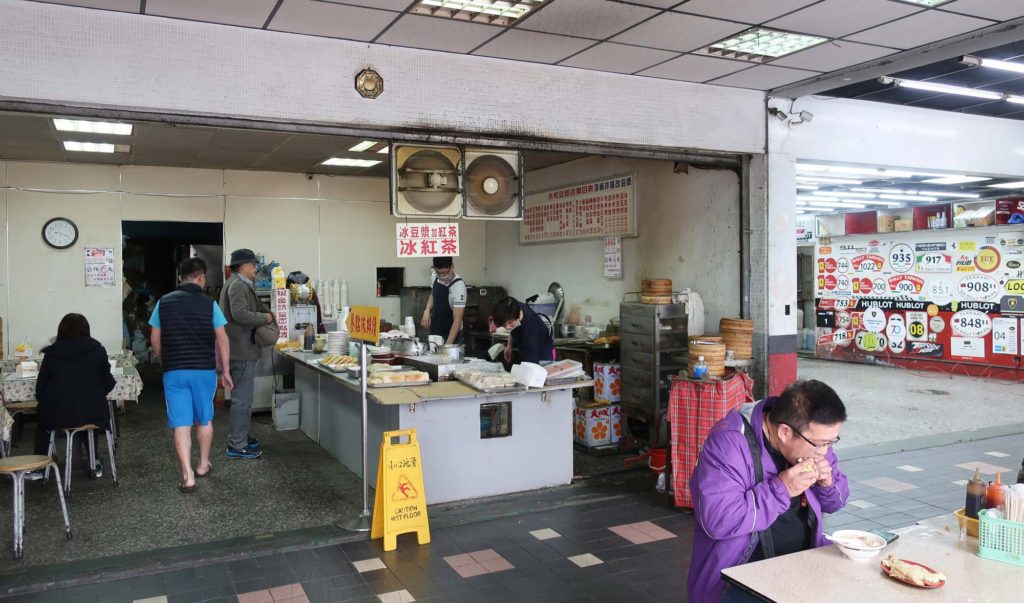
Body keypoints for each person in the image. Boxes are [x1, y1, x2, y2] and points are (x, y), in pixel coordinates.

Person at [688, 379, 849, 603]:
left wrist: (827, 484)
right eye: (821, 443)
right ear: (784, 432)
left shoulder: (814, 444)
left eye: (832, 442)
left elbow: (836, 503)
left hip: (803, 566)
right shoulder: (728, 444)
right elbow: (718, 521)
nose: (825, 452)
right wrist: (782, 488)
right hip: (738, 579)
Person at [150, 258, 233, 493]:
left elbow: (155, 339)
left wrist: (164, 361)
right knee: (204, 419)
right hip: (203, 371)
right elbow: (222, 338)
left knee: (181, 423)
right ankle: (203, 464)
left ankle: (187, 477)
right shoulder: (209, 304)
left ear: (180, 277)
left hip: (174, 372)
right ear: (201, 278)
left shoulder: (163, 303)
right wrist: (225, 370)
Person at [33, 313, 116, 478]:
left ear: (61, 330)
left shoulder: (51, 353)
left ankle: (39, 467)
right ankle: (94, 462)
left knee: (43, 417)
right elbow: (108, 383)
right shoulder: (97, 350)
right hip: (91, 411)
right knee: (88, 414)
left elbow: (40, 389)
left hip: (56, 413)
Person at [219, 248, 273, 460]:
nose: (256, 268)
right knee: (242, 399)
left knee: (244, 398)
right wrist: (265, 318)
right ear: (242, 265)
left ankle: (240, 436)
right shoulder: (237, 285)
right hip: (241, 349)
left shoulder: (237, 284)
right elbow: (240, 314)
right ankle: (237, 444)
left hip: (241, 348)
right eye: (253, 264)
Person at [490, 296, 555, 364]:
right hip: (527, 350)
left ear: (517, 317)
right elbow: (512, 328)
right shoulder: (513, 307)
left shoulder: (531, 330)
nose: (507, 327)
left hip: (543, 357)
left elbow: (531, 364)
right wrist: (509, 345)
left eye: (509, 323)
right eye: (504, 325)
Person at [421, 257, 467, 345]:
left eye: (445, 273)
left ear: (452, 267)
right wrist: (427, 310)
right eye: (438, 272)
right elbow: (433, 294)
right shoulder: (434, 275)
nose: (441, 276)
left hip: (451, 331)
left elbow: (457, 320)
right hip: (436, 327)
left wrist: (448, 345)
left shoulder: (458, 287)